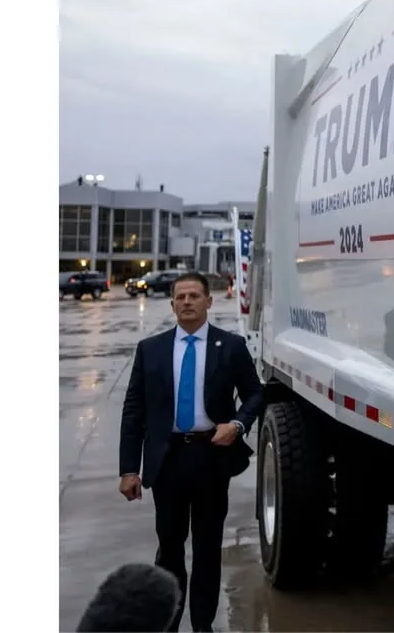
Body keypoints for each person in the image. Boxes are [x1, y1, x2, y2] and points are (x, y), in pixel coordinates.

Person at [118, 271, 263, 633]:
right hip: (166, 461)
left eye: (194, 296)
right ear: (172, 304)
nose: (187, 302)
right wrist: (128, 469)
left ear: (208, 301)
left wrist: (238, 425)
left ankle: (202, 625)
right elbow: (134, 411)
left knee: (207, 547)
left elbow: (256, 393)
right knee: (169, 548)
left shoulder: (229, 346)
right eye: (180, 297)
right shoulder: (150, 349)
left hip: (210, 457)